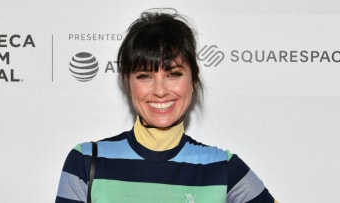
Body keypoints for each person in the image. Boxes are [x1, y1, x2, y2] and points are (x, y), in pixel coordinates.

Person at [56, 8, 277, 203]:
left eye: (173, 74)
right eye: (144, 76)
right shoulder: (85, 162)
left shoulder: (223, 168)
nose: (160, 90)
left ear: (193, 80)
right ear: (128, 82)